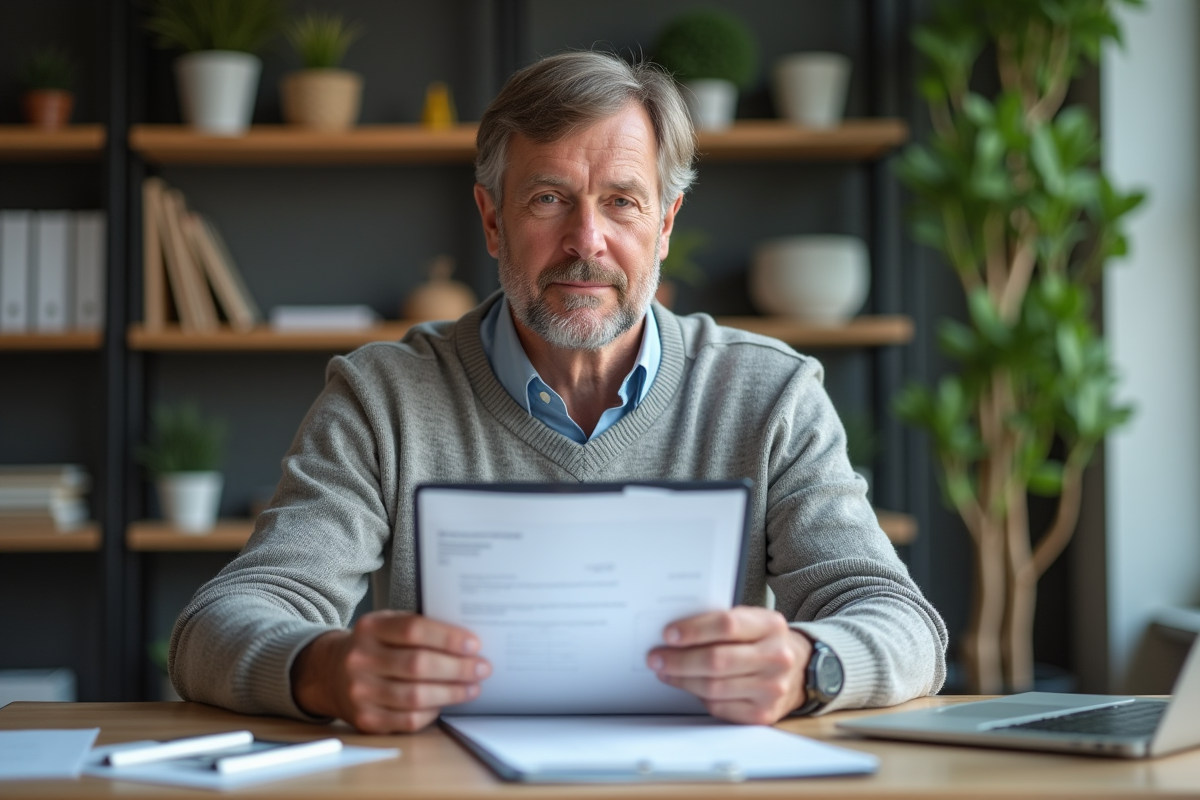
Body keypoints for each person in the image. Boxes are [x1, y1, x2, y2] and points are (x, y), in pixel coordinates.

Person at [170, 51, 947, 734]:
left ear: (666, 224)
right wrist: (325, 670)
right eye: (548, 198)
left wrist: (810, 664)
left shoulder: (770, 393)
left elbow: (903, 622)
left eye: (622, 200)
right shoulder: (383, 398)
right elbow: (214, 627)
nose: (586, 241)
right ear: (492, 220)